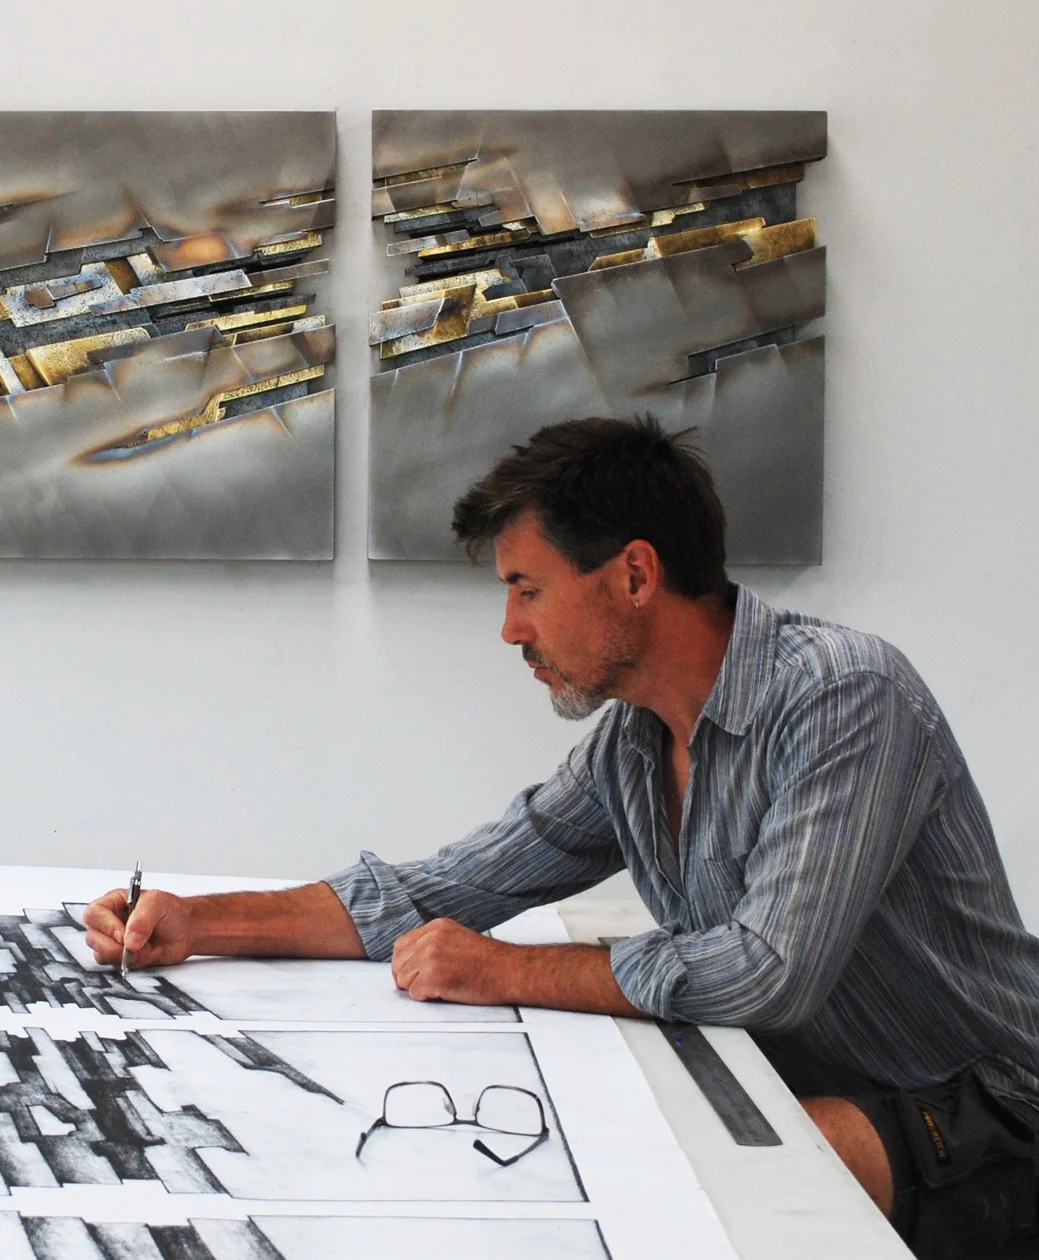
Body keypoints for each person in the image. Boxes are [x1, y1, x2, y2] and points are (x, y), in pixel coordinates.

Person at [85, 417, 1039, 1258]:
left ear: (632, 574)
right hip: (805, 1073)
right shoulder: (630, 742)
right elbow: (440, 889)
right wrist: (194, 921)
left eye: (526, 590)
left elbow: (767, 970)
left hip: (995, 1098)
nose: (508, 630)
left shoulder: (844, 695)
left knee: (735, 1188)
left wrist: (505, 971)